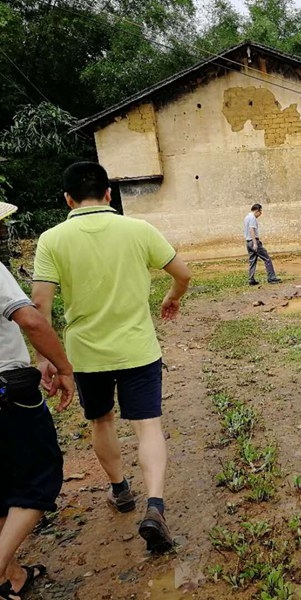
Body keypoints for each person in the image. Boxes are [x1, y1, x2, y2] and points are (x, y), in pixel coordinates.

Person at [31, 162, 192, 555]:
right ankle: (155, 505)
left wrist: (46, 356)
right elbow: (183, 274)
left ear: (67, 199)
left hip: (86, 356)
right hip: (138, 349)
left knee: (100, 420)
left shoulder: (52, 239)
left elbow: (39, 305)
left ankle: (120, 490)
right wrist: (171, 298)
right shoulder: (138, 230)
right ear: (109, 194)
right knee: (148, 427)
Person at [1, 204, 75, 600]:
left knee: (2, 487)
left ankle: (11, 576)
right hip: (7, 392)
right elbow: (31, 320)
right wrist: (62, 367)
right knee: (38, 479)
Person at [244, 203, 280, 285]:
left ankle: (251, 279)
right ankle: (271, 277)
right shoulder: (252, 218)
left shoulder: (246, 217)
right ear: (257, 211)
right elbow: (251, 230)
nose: (261, 214)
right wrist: (255, 243)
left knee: (252, 261)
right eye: (260, 212)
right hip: (253, 241)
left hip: (248, 242)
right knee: (267, 259)